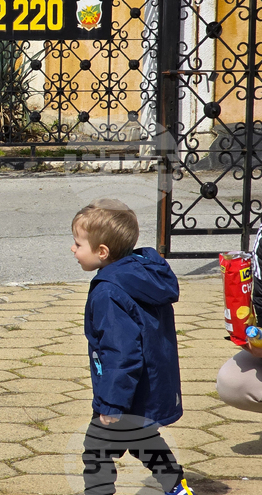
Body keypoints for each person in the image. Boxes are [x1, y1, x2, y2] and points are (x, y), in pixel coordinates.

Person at [71, 199, 194, 495]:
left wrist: (112, 404)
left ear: (102, 252)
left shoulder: (108, 292)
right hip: (147, 386)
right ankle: (177, 487)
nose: (73, 250)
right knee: (144, 440)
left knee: (96, 451)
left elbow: (121, 352)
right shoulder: (141, 275)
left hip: (123, 393)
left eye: (78, 244)